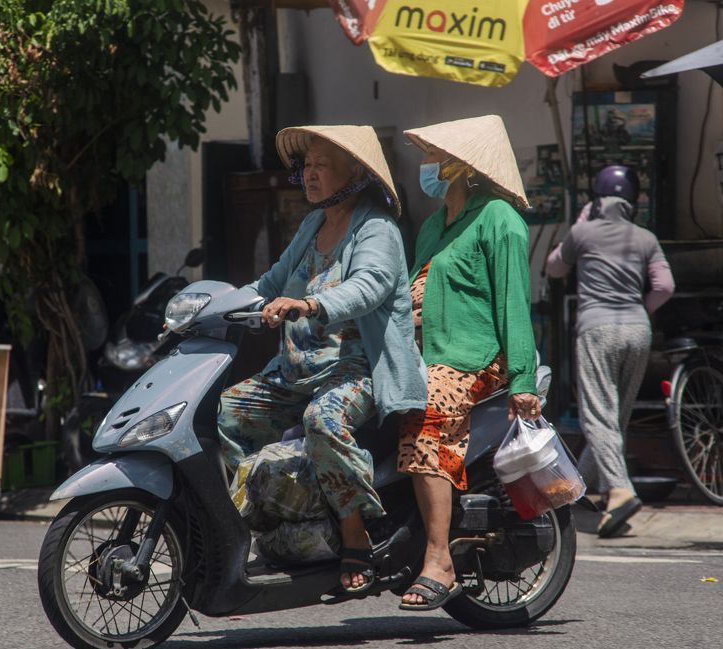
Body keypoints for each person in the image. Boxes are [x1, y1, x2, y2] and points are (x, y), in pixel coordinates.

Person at [217, 125, 427, 593]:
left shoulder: (377, 228)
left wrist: (310, 305)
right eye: (306, 166)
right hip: (294, 371)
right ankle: (258, 520)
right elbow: (270, 283)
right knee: (228, 412)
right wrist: (210, 308)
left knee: (322, 420)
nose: (309, 175)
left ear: (355, 172)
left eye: (321, 166)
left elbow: (369, 286)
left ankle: (355, 535)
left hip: (357, 370)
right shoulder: (314, 223)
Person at [396, 115, 540, 610]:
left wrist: (523, 378)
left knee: (429, 415)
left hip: (474, 357)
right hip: (422, 354)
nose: (425, 165)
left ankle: (439, 558)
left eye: (432, 156)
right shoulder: (434, 225)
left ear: (462, 165)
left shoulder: (500, 219)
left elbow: (513, 305)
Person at [546, 164, 674, 538]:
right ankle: (574, 493)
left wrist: (581, 222)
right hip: (638, 330)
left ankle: (620, 491)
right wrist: (639, 310)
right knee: (614, 418)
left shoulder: (583, 231)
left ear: (597, 200)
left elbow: (554, 268)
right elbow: (665, 287)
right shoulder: (646, 237)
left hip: (597, 330)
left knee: (597, 419)